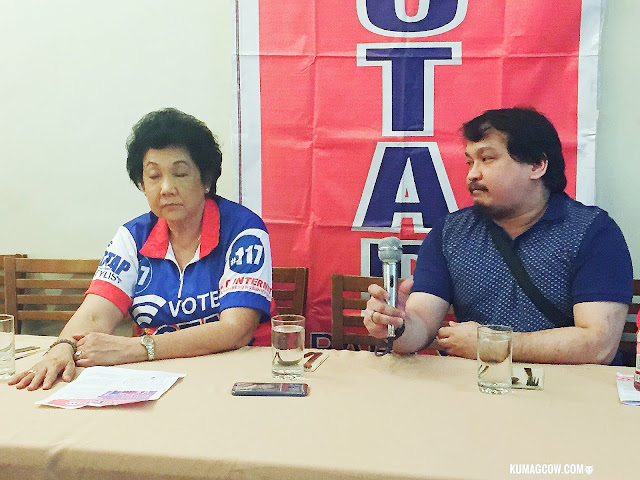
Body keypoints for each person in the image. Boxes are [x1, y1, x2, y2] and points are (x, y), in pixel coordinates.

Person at [10, 108, 272, 390]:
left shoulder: (243, 229)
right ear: (142, 185)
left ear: (206, 180)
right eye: (154, 176)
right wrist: (63, 347)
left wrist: (138, 348)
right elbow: (96, 314)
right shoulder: (133, 237)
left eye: (180, 173)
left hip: (236, 375)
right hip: (155, 378)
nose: (166, 188)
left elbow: (235, 330)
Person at [364, 107, 632, 365]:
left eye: (487, 159)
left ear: (537, 165)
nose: (473, 174)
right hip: (478, 385)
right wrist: (396, 325)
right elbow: (421, 327)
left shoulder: (592, 232)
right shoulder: (451, 232)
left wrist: (493, 343)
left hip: (569, 389)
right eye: (470, 162)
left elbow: (599, 345)